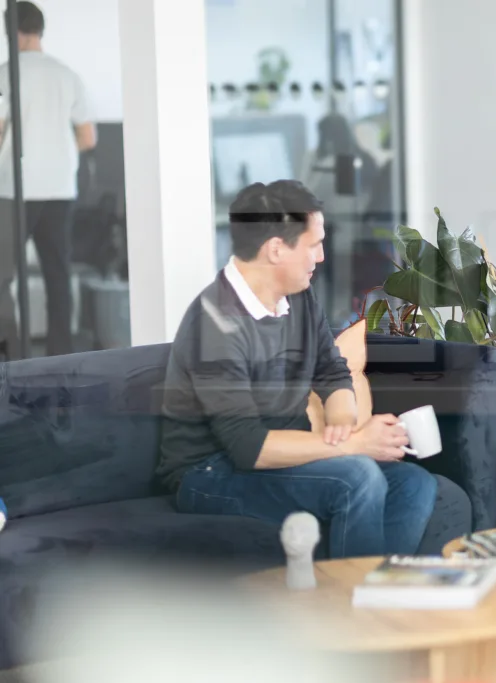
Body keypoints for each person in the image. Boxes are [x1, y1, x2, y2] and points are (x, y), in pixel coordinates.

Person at [157, 180, 437, 558]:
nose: (321, 257)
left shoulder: (298, 299)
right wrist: (355, 445)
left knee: (415, 484)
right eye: (314, 244)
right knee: (359, 478)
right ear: (276, 249)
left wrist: (341, 421)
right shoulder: (216, 324)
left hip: (282, 452)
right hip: (209, 473)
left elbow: (331, 371)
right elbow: (248, 447)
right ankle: (346, 608)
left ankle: (375, 595)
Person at [0, 1, 97, 358]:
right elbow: (88, 138)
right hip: (59, 189)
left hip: (14, 189)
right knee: (58, 273)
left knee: (2, 278)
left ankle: (10, 354)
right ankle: (62, 354)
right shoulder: (67, 75)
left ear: (13, 31)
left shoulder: (5, 74)